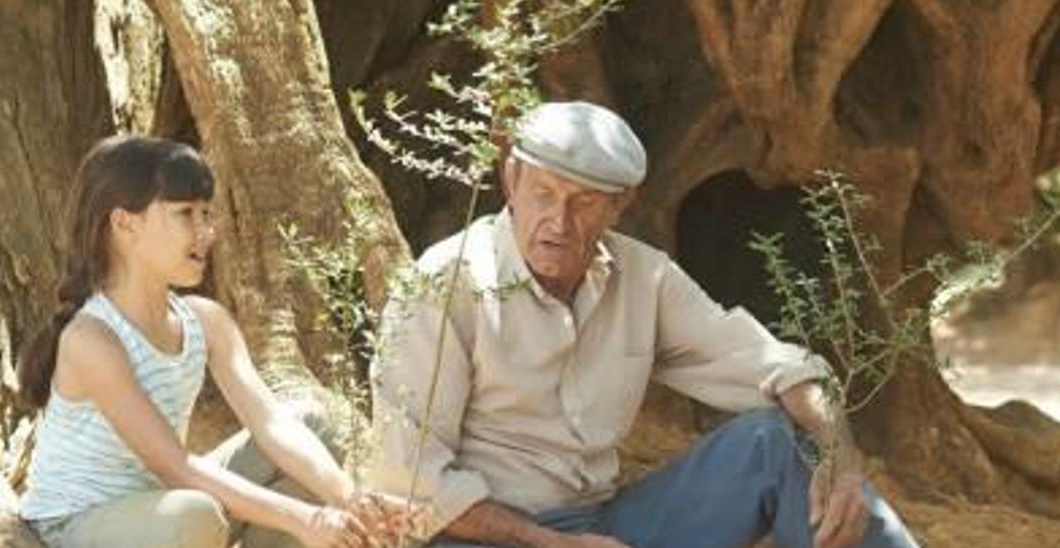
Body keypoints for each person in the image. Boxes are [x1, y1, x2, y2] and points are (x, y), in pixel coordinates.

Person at [368, 101, 920, 547]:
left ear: (620, 206)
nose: (557, 223)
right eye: (543, 194)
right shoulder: (447, 282)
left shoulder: (643, 278)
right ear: (511, 180)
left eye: (583, 203)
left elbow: (779, 367)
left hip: (603, 527)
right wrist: (545, 544)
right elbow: (412, 484)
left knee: (775, 444)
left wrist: (841, 457)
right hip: (484, 535)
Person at [17, 135, 405, 548]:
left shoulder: (206, 320)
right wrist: (306, 519)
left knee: (314, 427)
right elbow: (174, 467)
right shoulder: (91, 338)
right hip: (75, 524)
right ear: (124, 224)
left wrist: (352, 501)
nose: (207, 231)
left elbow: (270, 424)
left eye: (207, 213)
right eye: (186, 213)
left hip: (161, 507)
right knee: (193, 516)